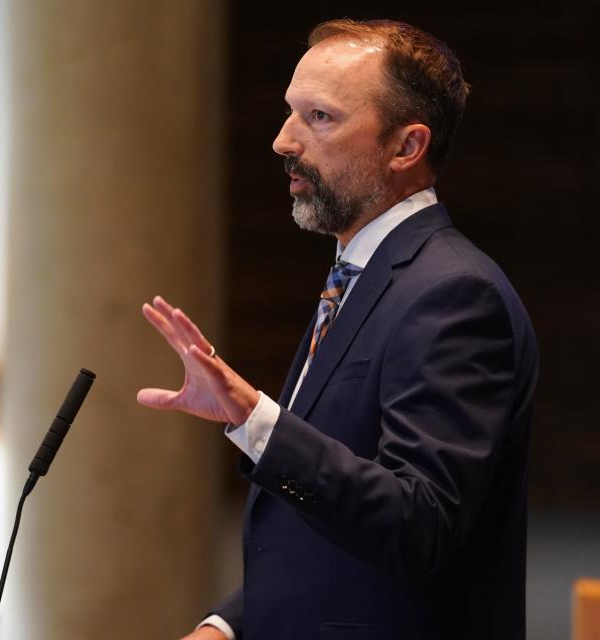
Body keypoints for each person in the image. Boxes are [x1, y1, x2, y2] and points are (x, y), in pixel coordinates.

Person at [137, 18, 538, 640]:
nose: (282, 141)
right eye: (290, 113)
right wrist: (226, 626)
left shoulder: (454, 295)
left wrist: (254, 419)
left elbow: (417, 526)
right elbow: (326, 527)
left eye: (319, 118)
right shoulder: (360, 276)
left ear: (406, 147)